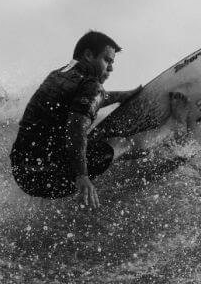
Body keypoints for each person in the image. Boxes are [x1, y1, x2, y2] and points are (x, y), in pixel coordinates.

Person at [10, 31, 189, 208]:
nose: (110, 68)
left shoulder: (58, 74)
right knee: (123, 143)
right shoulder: (91, 85)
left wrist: (121, 96)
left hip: (24, 173)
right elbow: (77, 128)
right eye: (107, 60)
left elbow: (86, 100)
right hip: (51, 176)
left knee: (88, 140)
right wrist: (82, 176)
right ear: (88, 55)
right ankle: (174, 126)